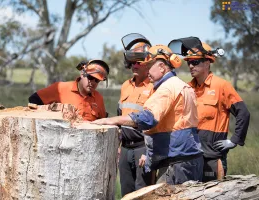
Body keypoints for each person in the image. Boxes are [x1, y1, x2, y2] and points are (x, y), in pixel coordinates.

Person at [92, 44, 204, 185]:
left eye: (149, 66)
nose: (147, 70)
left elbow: (147, 119)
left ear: (162, 67)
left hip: (176, 161)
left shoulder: (167, 88)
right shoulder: (182, 85)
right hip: (189, 158)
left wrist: (112, 120)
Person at [184, 42, 250, 182]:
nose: (191, 66)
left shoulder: (221, 86)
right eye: (189, 62)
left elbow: (243, 113)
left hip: (213, 158)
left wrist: (234, 140)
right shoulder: (188, 88)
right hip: (191, 157)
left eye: (195, 62)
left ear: (207, 62)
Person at [117, 34, 154, 196]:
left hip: (142, 147)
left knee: (143, 193)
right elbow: (120, 116)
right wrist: (118, 148)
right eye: (133, 62)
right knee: (126, 192)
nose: (135, 65)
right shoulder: (125, 85)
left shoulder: (154, 86)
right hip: (125, 148)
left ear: (148, 63)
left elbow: (157, 124)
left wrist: (149, 151)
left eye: (139, 62)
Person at [28, 59, 109, 121]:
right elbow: (34, 100)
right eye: (90, 78)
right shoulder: (60, 88)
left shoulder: (99, 98)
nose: (93, 82)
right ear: (82, 74)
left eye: (97, 80)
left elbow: (102, 123)